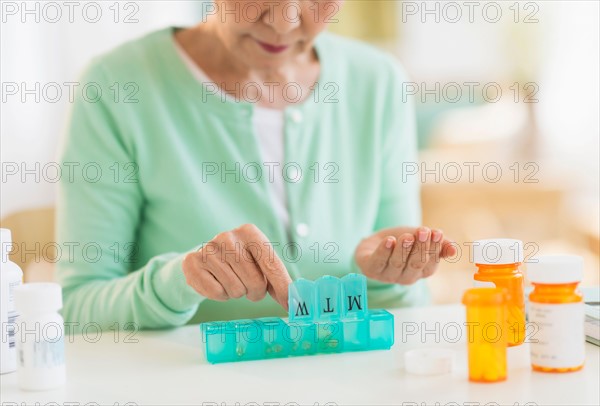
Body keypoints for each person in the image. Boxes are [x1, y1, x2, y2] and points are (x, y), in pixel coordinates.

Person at [56, 0, 456, 330]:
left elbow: (409, 308)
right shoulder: (116, 86)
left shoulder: (378, 81)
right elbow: (78, 310)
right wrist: (180, 281)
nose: (284, 22)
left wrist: (387, 275)